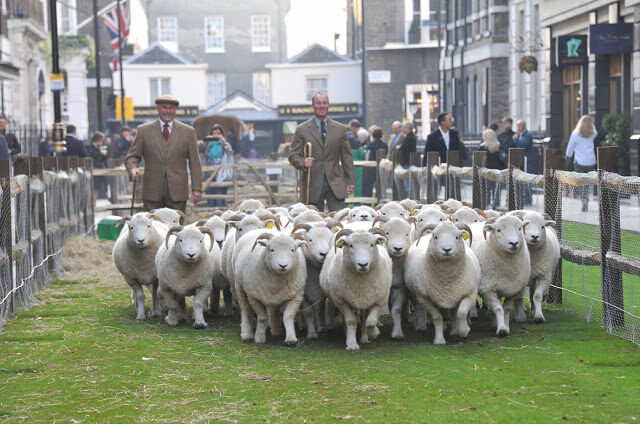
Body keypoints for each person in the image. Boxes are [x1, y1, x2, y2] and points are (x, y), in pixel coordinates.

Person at [126, 95, 202, 213]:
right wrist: (133, 168)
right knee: (151, 228)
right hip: (152, 192)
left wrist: (197, 189)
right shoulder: (143, 131)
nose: (168, 111)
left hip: (178, 192)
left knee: (175, 229)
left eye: (171, 108)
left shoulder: (188, 132)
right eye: (164, 107)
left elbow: (195, 162)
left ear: (175, 110)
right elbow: (132, 156)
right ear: (158, 109)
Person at [289, 91, 355, 211]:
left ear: (329, 105)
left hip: (335, 183)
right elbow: (293, 155)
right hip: (312, 185)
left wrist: (350, 181)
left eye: (324, 103)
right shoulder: (301, 129)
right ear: (313, 106)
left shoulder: (340, 129)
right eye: (318, 103)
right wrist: (303, 162)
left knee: (339, 219)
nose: (322, 106)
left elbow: (347, 157)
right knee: (314, 223)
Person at [566, 115, 597, 212]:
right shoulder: (593, 133)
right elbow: (595, 129)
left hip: (580, 161)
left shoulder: (575, 133)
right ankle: (586, 197)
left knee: (581, 182)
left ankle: (584, 199)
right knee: (587, 182)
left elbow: (570, 147)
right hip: (591, 161)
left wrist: (568, 155)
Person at [205, 124, 234, 207]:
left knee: (220, 202)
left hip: (222, 177)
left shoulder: (226, 145)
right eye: (214, 133)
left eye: (218, 133)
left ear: (222, 135)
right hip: (209, 177)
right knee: (211, 203)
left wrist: (224, 143)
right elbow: (197, 146)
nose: (216, 135)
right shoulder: (207, 145)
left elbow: (230, 154)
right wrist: (206, 140)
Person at [479, 123, 503, 209]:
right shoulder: (498, 146)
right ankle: (496, 205)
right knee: (496, 189)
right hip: (497, 170)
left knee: (487, 189)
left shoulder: (482, 147)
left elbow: (479, 161)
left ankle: (487, 204)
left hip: (486, 170)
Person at [363, 127, 388, 197]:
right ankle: (379, 202)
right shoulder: (384, 145)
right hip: (381, 168)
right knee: (379, 187)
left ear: (373, 135)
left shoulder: (370, 145)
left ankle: (367, 204)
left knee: (368, 187)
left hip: (370, 169)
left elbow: (367, 157)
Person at [513, 119, 533, 205]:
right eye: (517, 126)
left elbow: (523, 145)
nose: (518, 128)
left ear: (524, 126)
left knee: (526, 179)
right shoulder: (519, 135)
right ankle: (522, 197)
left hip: (527, 160)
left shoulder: (527, 135)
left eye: (519, 126)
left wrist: (516, 140)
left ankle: (528, 199)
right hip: (520, 160)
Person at [86, 132, 109, 202]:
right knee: (92, 188)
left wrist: (104, 155)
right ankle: (92, 204)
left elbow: (102, 160)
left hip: (99, 169)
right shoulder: (89, 146)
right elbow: (91, 157)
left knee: (96, 188)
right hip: (92, 169)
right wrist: (100, 152)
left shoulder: (99, 148)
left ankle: (94, 203)